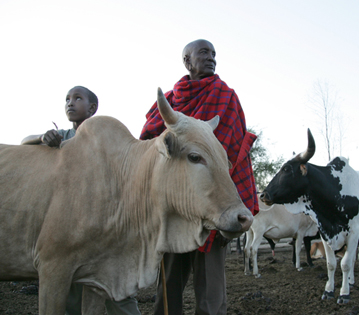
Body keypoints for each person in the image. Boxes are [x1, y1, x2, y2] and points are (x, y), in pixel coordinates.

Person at [140, 39, 259, 315]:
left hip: (215, 206)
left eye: (214, 54)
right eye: (204, 52)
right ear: (187, 61)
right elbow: (149, 145)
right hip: (177, 209)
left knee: (210, 295)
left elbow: (230, 154)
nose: (211, 58)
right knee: (168, 291)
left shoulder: (226, 97)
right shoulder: (169, 101)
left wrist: (225, 206)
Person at [21, 85, 141, 315]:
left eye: (77, 98)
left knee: (117, 289)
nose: (70, 102)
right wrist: (41, 137)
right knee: (71, 292)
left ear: (92, 108)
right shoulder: (62, 137)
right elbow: (24, 142)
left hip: (105, 229)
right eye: (67, 99)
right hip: (70, 229)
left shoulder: (107, 139)